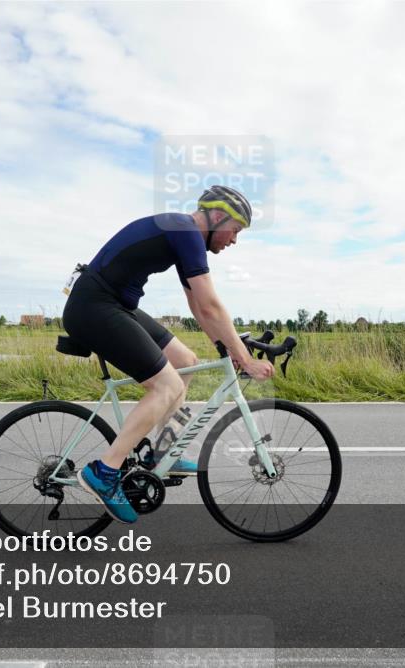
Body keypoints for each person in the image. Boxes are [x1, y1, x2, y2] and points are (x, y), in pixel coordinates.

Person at [62, 185, 275, 523]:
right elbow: (211, 304)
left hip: (114, 304)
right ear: (217, 217)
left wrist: (226, 349)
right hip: (94, 307)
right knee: (167, 386)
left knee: (186, 363)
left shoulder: (183, 234)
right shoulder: (187, 231)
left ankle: (163, 452)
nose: (234, 240)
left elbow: (199, 306)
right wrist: (244, 358)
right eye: (235, 230)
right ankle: (105, 471)